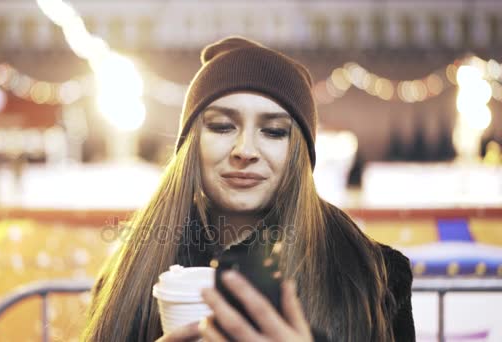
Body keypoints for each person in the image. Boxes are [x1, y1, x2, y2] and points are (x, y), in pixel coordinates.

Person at [82, 36, 415, 342]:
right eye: (222, 126)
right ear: (192, 145)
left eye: (273, 132)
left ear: (300, 153)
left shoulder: (376, 274)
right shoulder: (128, 273)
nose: (245, 149)